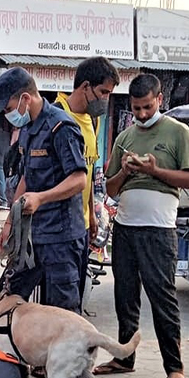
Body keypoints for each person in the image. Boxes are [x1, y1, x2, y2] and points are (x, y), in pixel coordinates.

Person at [98, 74, 189, 378]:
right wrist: (126, 171)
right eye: (136, 108)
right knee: (125, 297)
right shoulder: (124, 137)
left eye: (147, 107)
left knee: (162, 298)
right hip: (125, 227)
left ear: (159, 100)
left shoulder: (178, 132)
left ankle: (174, 367)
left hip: (159, 230)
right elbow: (111, 189)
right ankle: (124, 358)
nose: (142, 114)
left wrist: (155, 171)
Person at [0, 67, 87, 312]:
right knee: (9, 299)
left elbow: (79, 180)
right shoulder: (27, 129)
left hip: (62, 237)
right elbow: (27, 176)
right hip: (34, 235)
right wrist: (10, 223)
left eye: (8, 108)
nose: (7, 115)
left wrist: (41, 198)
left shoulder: (61, 127)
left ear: (25, 98)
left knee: (61, 314)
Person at [56, 56, 120, 310]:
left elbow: (89, 170)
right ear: (85, 87)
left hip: (82, 225)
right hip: (59, 227)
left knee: (77, 295)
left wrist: (92, 214)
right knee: (62, 302)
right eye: (103, 92)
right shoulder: (57, 116)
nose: (106, 99)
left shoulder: (94, 121)